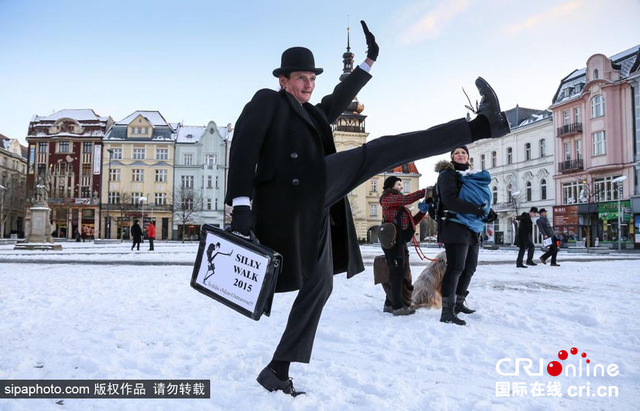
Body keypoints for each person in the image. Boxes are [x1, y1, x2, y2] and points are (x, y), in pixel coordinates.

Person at [225, 21, 511, 396]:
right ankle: (481, 125)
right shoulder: (267, 102)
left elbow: (338, 99)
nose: (308, 85)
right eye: (300, 78)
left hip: (315, 210)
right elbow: (243, 147)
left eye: (312, 78)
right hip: (293, 190)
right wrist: (241, 205)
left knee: (320, 285)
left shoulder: (312, 113)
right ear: (283, 80)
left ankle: (278, 369)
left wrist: (369, 62)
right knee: (381, 151)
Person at [434, 145, 496, 326]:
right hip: (454, 225)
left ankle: (459, 303)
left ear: (468, 156)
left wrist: (488, 212)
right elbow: (449, 200)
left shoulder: (470, 175)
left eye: (463, 153)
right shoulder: (447, 174)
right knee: (455, 268)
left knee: (470, 268)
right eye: (456, 153)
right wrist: (476, 211)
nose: (460, 155)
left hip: (472, 227)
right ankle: (447, 311)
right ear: (452, 157)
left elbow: (475, 198)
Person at [379, 176, 427, 315]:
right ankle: (397, 307)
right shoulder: (387, 199)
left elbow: (413, 222)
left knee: (399, 272)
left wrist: (423, 210)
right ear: (390, 186)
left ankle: (389, 304)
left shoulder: (399, 205)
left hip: (399, 241)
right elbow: (407, 199)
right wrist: (425, 191)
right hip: (393, 242)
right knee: (397, 272)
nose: (401, 187)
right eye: (399, 184)